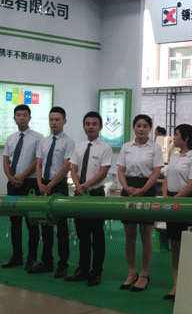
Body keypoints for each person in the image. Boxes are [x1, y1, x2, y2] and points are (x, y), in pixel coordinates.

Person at [116, 114, 164, 292]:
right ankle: (131, 273)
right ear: (133, 127)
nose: (141, 129)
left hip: (147, 190)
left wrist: (143, 190)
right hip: (128, 189)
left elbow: (156, 172)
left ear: (150, 129)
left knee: (145, 234)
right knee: (129, 233)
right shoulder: (126, 147)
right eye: (138, 125)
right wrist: (126, 187)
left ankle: (144, 274)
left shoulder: (155, 148)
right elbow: (121, 170)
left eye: (145, 126)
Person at [65, 111, 112, 287]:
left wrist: (84, 186)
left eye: (94, 124)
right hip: (79, 195)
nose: (90, 127)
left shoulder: (105, 147)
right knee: (82, 235)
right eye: (87, 124)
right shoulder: (79, 146)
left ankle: (96, 272)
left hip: (95, 195)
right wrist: (78, 186)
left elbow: (103, 172)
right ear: (84, 126)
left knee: (97, 235)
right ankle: (82, 270)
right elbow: (73, 169)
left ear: (100, 127)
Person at [161, 123, 192, 301]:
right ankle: (176, 284)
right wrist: (166, 196)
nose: (174, 137)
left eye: (177, 134)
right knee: (175, 245)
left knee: (187, 245)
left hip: (185, 203)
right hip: (172, 201)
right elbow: (165, 178)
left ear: (186, 138)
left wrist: (175, 199)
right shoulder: (173, 157)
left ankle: (189, 284)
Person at [32, 106, 75, 277]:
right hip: (43, 185)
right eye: (51, 119)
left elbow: (66, 166)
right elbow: (38, 164)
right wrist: (39, 183)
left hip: (59, 186)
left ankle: (63, 264)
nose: (54, 122)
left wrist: (51, 184)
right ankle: (46, 262)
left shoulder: (68, 142)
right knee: (45, 225)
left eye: (57, 119)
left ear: (64, 121)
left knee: (61, 227)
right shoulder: (44, 141)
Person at [1, 104, 44, 271]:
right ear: (14, 118)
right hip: (12, 184)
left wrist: (23, 176)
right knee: (15, 222)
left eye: (25, 115)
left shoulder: (38, 137)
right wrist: (10, 177)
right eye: (18, 115)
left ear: (30, 118)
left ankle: (31, 258)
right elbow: (6, 160)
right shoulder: (10, 138)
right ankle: (16, 257)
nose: (21, 117)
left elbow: (37, 161)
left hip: (30, 184)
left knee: (32, 222)